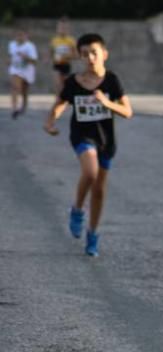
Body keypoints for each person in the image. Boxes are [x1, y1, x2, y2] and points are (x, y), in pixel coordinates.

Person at [43, 33, 132, 258]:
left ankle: (93, 235)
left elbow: (127, 112)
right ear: (80, 57)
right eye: (84, 54)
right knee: (90, 172)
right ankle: (77, 210)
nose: (90, 57)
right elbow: (60, 104)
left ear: (104, 54)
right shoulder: (74, 82)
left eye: (94, 52)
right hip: (82, 136)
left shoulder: (112, 80)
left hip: (106, 140)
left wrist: (106, 102)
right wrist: (51, 121)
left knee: (100, 191)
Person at [7, 28, 38, 119]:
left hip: (27, 71)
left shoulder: (30, 46)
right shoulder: (12, 44)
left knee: (24, 91)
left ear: (26, 36)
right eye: (18, 35)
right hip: (15, 69)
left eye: (21, 35)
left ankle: (23, 106)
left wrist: (26, 57)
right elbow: (11, 56)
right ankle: (14, 108)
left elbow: (34, 61)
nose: (19, 37)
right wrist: (9, 61)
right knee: (15, 87)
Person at [50, 17, 77, 94]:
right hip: (56, 65)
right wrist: (51, 58)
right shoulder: (54, 40)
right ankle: (57, 100)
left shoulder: (71, 40)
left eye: (64, 28)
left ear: (68, 29)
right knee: (57, 84)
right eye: (60, 27)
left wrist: (67, 56)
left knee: (65, 85)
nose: (62, 29)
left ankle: (65, 101)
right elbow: (51, 53)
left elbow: (76, 55)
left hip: (66, 64)